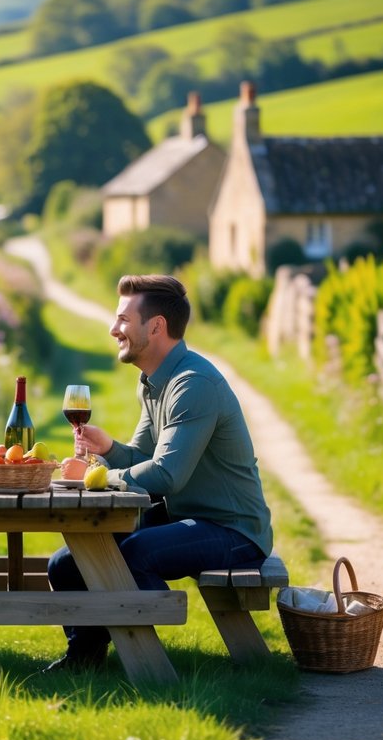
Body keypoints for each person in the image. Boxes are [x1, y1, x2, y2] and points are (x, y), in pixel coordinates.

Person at [44, 274, 273, 673]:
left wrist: (93, 478)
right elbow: (143, 457)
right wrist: (110, 450)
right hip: (187, 516)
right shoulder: (152, 381)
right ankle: (85, 660)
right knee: (68, 561)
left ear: (156, 327)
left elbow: (166, 476)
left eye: (122, 320)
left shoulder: (192, 384)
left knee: (131, 554)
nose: (113, 329)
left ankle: (150, 652)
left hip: (234, 529)